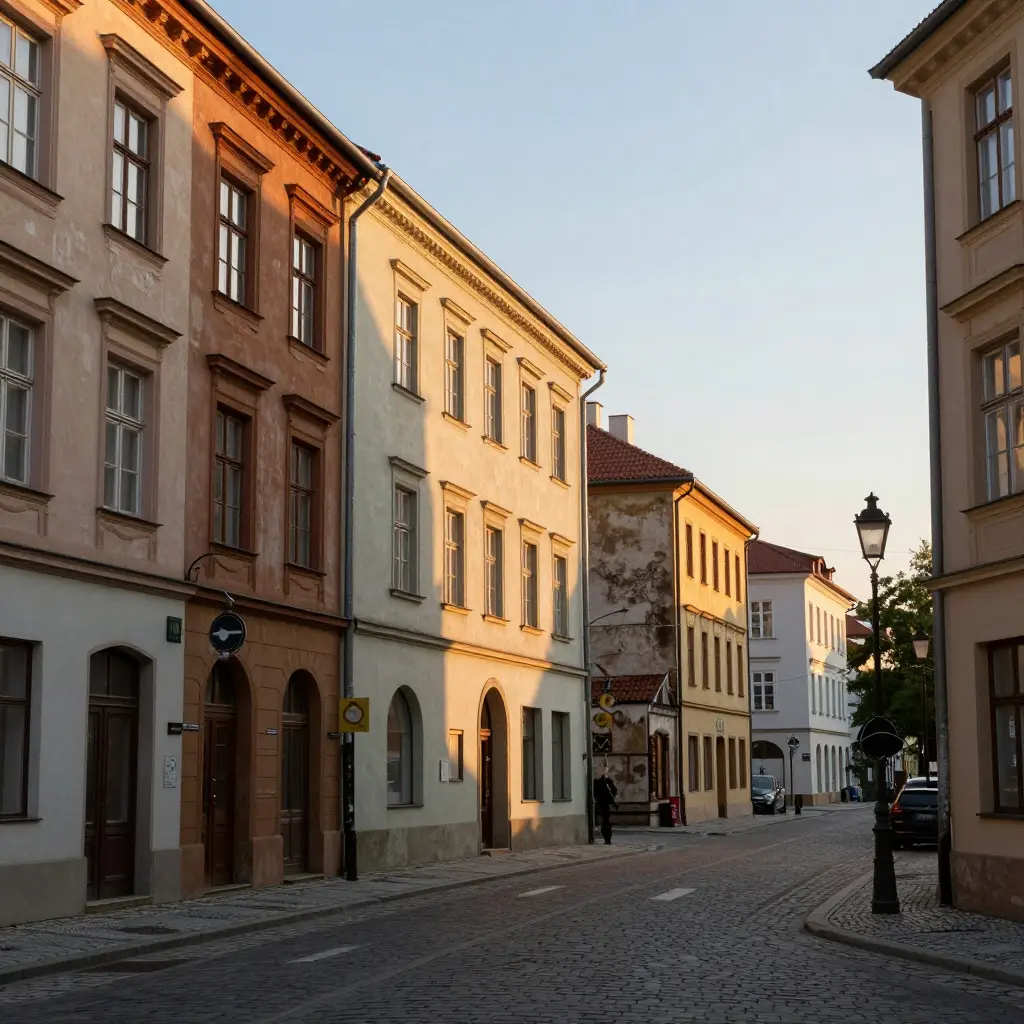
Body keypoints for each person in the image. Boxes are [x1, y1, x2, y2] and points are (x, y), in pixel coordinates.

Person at [594, 767, 618, 844]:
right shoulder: (605, 782)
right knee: (606, 821)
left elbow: (613, 791)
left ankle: (607, 838)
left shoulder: (602, 782)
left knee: (606, 821)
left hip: (603, 804)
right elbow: (614, 791)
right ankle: (607, 838)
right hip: (604, 804)